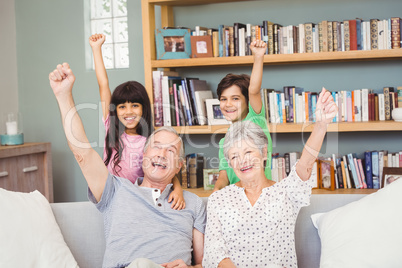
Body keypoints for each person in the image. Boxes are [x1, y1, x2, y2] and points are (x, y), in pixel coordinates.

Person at [49, 63, 206, 268]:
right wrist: (64, 96)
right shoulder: (116, 190)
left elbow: (205, 264)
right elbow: (83, 154)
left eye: (171, 150)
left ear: (179, 166)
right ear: (143, 155)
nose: (161, 154)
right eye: (157, 147)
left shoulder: (193, 203)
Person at [203, 88, 338, 268]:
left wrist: (321, 124)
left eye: (249, 152)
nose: (243, 161)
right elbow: (214, 252)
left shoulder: (286, 193)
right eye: (234, 156)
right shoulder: (218, 199)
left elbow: (305, 163)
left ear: (264, 152)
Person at [89, 34, 185, 209]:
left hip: (139, 203)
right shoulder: (111, 128)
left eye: (134, 105)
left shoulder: (151, 142)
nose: (128, 112)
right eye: (122, 107)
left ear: (143, 109)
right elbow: (103, 84)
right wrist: (96, 49)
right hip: (110, 200)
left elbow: (168, 167)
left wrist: (178, 189)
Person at [213, 40, 272, 192]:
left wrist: (258, 57)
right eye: (223, 99)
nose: (228, 104)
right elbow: (223, 178)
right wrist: (216, 192)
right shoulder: (224, 142)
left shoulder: (256, 122)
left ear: (247, 102)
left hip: (260, 194)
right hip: (236, 200)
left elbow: (253, 90)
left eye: (235, 98)